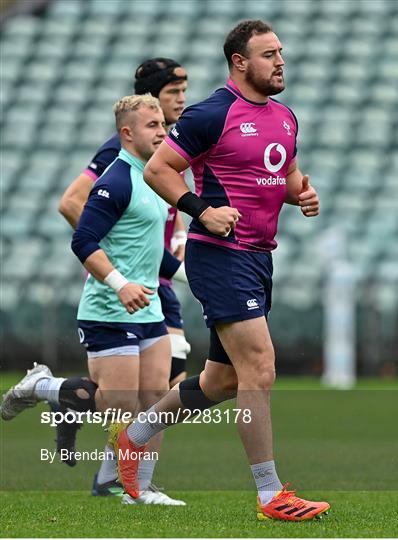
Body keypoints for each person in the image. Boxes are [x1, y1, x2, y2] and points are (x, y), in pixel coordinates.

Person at [109, 20, 330, 521]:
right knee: (261, 369)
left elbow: (287, 177)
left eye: (281, 54)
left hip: (258, 257)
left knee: (222, 381)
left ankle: (134, 436)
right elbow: (158, 169)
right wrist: (201, 210)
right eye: (269, 54)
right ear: (239, 62)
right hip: (219, 255)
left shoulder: (285, 117)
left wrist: (302, 195)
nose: (280, 62)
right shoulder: (212, 113)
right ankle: (271, 494)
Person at [1, 95, 186, 506]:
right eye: (153, 126)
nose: (162, 131)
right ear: (127, 133)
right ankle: (43, 386)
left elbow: (153, 251)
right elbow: (83, 240)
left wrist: (199, 276)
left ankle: (140, 490)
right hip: (109, 307)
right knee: (116, 405)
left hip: (149, 306)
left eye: (163, 125)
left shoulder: (157, 178)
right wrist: (120, 283)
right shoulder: (115, 180)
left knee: (154, 400)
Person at [55, 58, 192, 481]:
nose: (183, 101)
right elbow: (72, 204)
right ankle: (62, 399)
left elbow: (169, 217)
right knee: (138, 395)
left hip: (156, 281)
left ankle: (126, 481)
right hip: (129, 284)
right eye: (174, 93)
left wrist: (184, 255)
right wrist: (118, 263)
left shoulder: (170, 149)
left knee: (160, 388)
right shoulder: (119, 158)